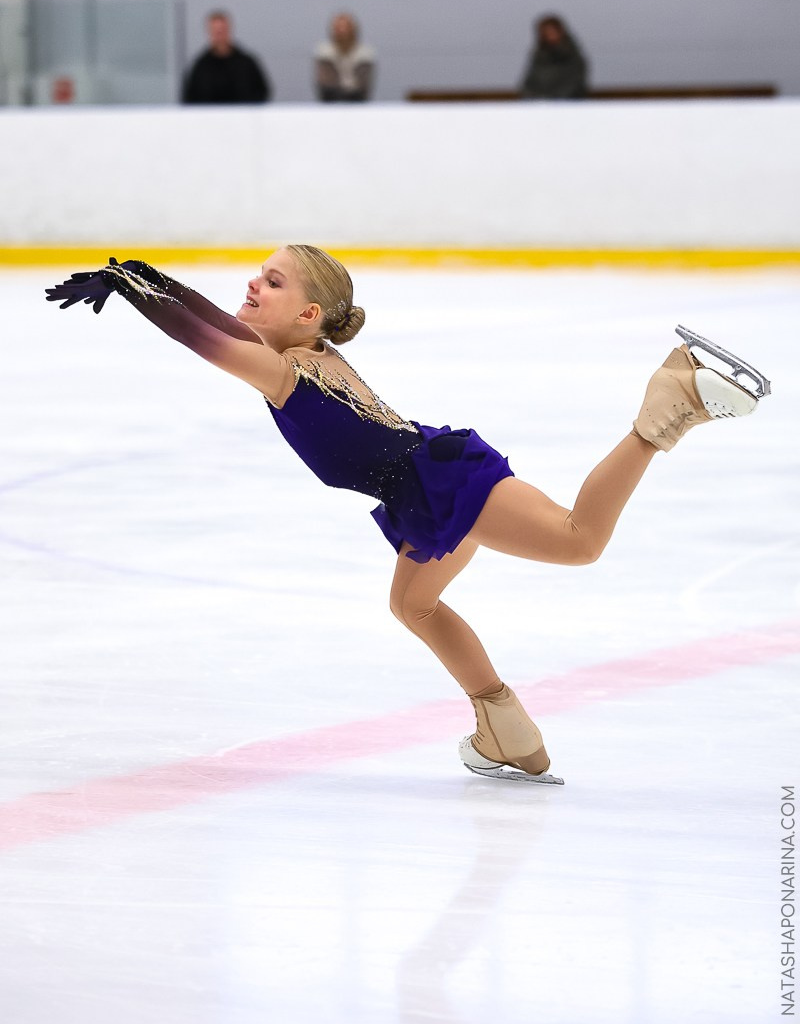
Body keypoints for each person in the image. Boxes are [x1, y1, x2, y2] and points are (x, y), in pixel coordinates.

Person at [45, 249, 769, 784]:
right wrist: (141, 274)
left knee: (578, 540)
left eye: (273, 281)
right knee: (414, 604)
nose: (253, 286)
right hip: (418, 489)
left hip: (438, 481)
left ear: (307, 316)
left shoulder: (283, 370)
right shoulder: (303, 351)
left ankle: (664, 412)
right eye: (258, 275)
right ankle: (504, 729)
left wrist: (136, 289)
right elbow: (216, 323)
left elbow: (204, 338)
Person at [182, 10, 271, 105]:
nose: (219, 35)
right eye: (216, 31)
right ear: (209, 32)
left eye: (222, 30)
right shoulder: (200, 66)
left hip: (241, 113)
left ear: (229, 29)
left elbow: (262, 92)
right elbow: (189, 97)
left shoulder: (246, 63)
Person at [520, 14, 589, 101]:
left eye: (552, 32)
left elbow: (575, 84)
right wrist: (534, 97)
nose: (550, 36)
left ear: (560, 32)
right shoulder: (538, 57)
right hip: (539, 103)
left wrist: (553, 99)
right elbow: (529, 83)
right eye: (546, 33)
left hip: (567, 104)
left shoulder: (573, 57)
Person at [314, 13, 375, 102]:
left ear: (354, 30)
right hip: (330, 103)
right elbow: (326, 85)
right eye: (339, 28)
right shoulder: (324, 52)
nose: (343, 32)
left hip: (357, 103)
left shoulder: (365, 54)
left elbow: (362, 86)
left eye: (346, 28)